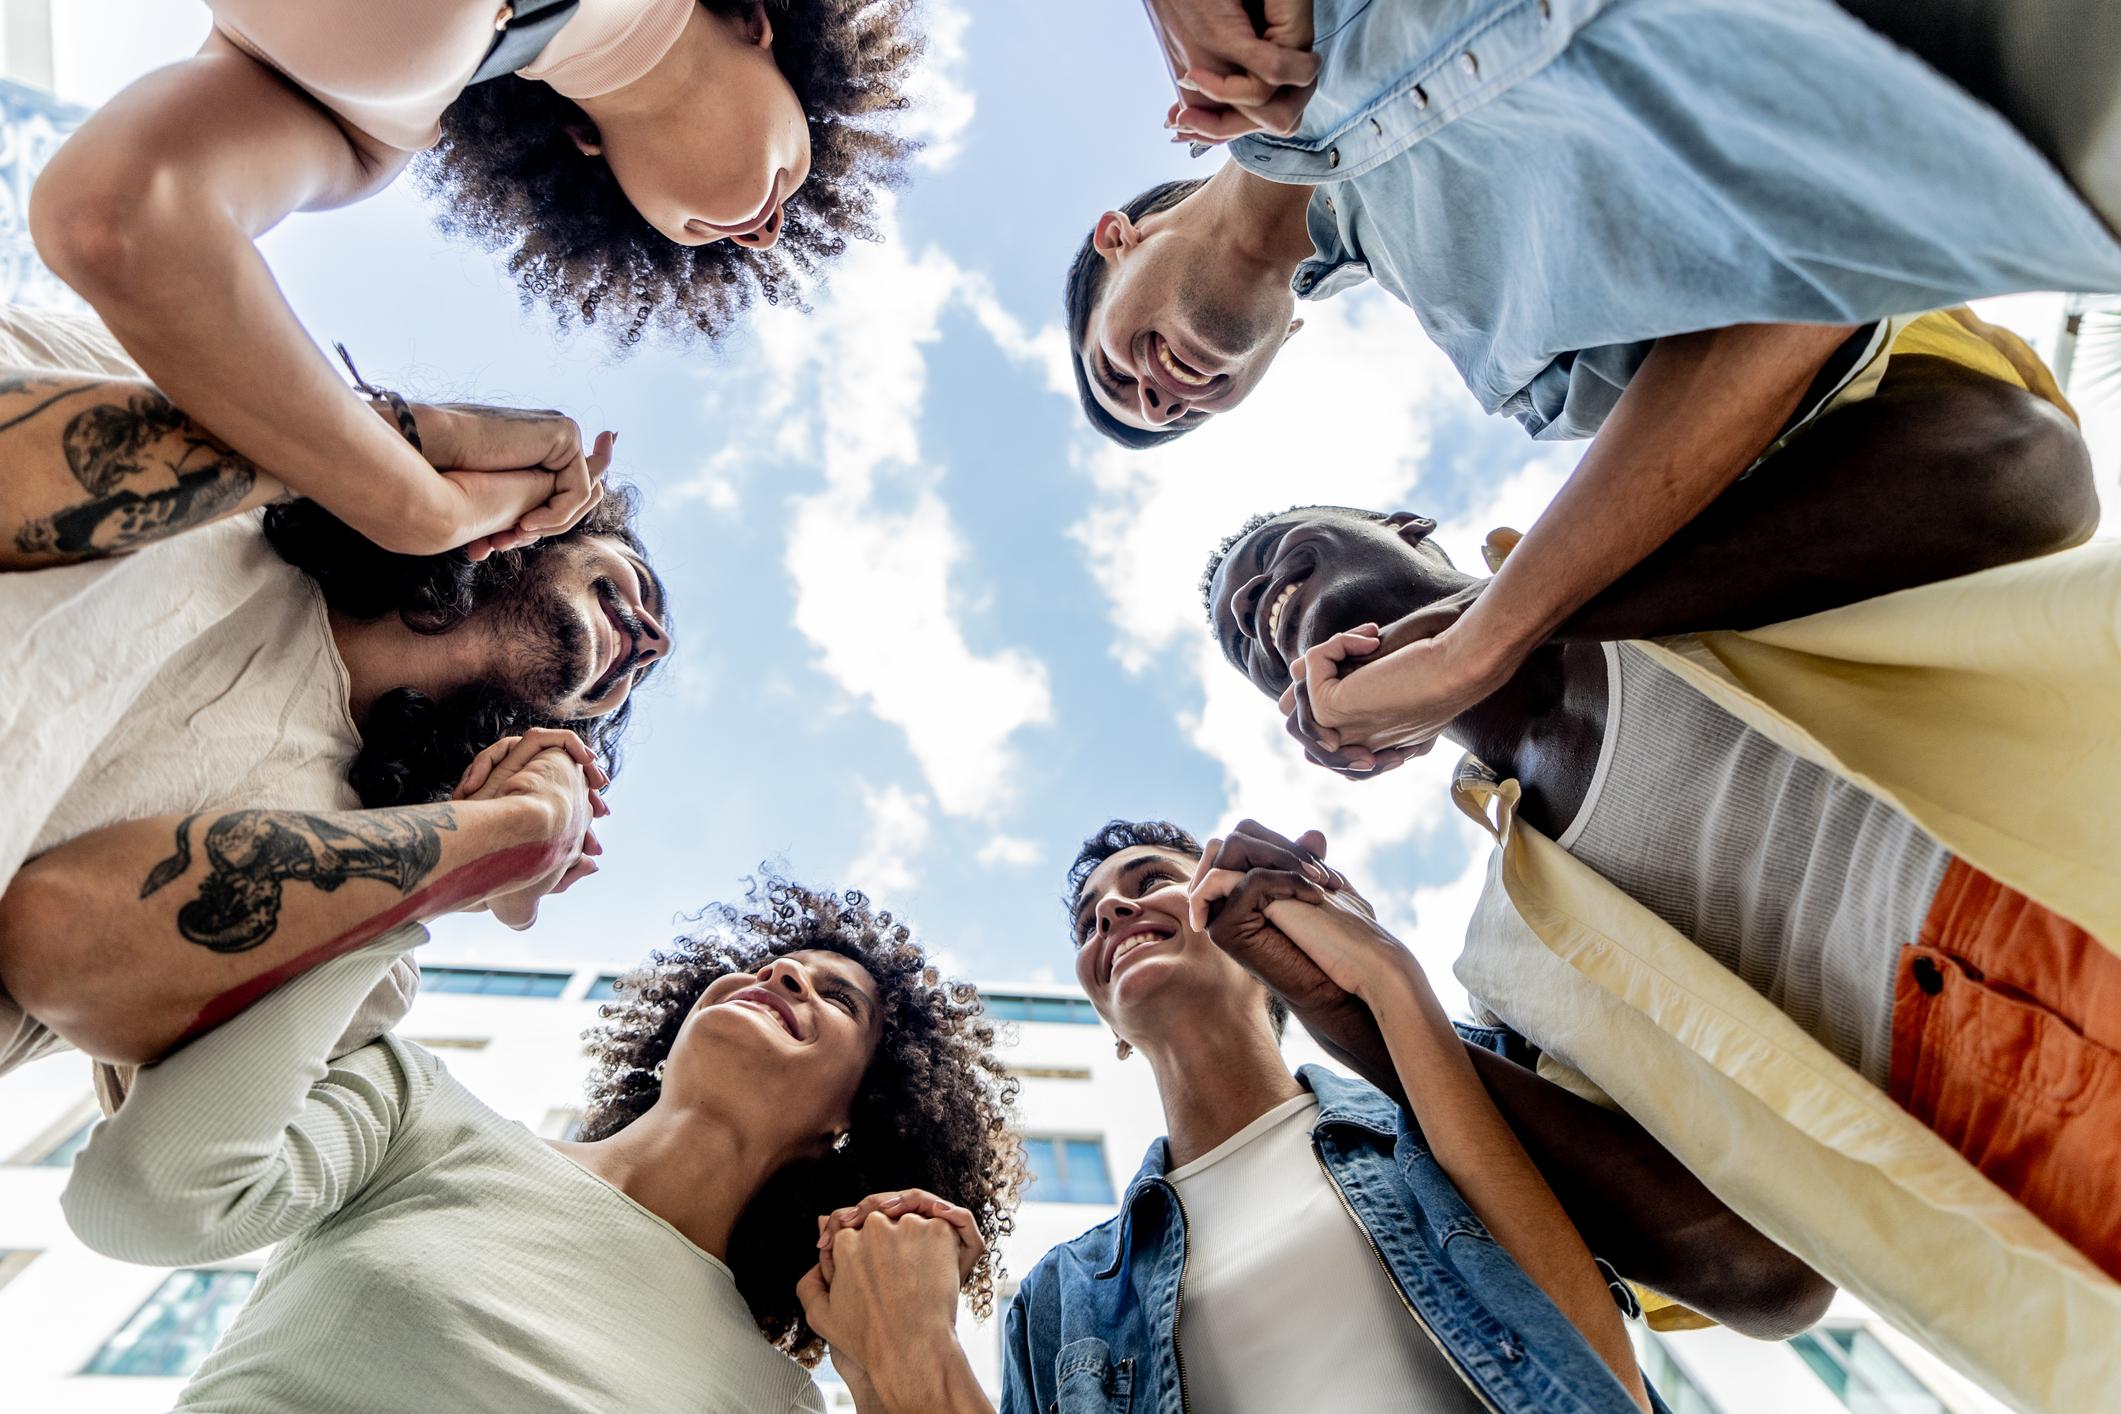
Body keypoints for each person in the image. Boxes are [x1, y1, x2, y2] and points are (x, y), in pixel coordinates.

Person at [1201, 316, 2121, 1405]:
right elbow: (1766, 1272)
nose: (1254, 610)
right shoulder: (1510, 969)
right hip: (2047, 1189)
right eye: (1245, 642)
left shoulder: (1683, 496)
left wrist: (1487, 631)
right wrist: (1359, 1014)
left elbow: (2022, 467)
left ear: (1408, 526)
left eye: (1273, 560)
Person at [1070, 0, 2121, 773]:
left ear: (1120, 239)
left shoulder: (1256, 23)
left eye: (1117, 367)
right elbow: (1813, 278)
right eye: (1167, 416)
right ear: (1272, 358)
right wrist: (1479, 642)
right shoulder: (1526, 370)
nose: (1158, 399)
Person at [58, 874, 1025, 1414]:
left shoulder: (776, 1397)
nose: (783, 976)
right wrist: (389, 915)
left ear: (850, 1120)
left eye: (837, 996)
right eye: (775, 964)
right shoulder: (419, 1112)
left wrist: (912, 1354)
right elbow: (145, 1198)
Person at [0, 308, 668, 1080]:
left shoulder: (367, 931)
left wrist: (517, 832)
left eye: (639, 672)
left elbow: (73, 951)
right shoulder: (167, 386)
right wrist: (392, 456)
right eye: (640, 585)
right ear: (551, 524)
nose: (654, 639)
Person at [31, 0, 922, 558]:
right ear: (755, 21)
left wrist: (418, 509)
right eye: (799, 174)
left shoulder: (360, 125)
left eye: (735, 247)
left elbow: (113, 219)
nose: (764, 234)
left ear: (585, 154)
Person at [1003, 817, 1781, 1414]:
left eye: (1147, 881)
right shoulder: (1057, 1302)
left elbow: (1603, 1376)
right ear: (1107, 1026)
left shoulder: (1441, 1120)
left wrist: (1383, 978)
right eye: (1086, 920)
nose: (1110, 911)